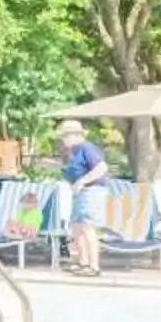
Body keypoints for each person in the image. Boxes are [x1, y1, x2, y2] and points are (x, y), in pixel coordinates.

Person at [56, 118, 110, 276]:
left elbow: (102, 167)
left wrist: (83, 180)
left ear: (76, 135)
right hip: (80, 193)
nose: (63, 140)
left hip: (92, 191)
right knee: (77, 228)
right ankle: (82, 262)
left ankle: (94, 266)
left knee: (87, 227)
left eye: (65, 136)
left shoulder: (87, 148)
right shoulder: (72, 152)